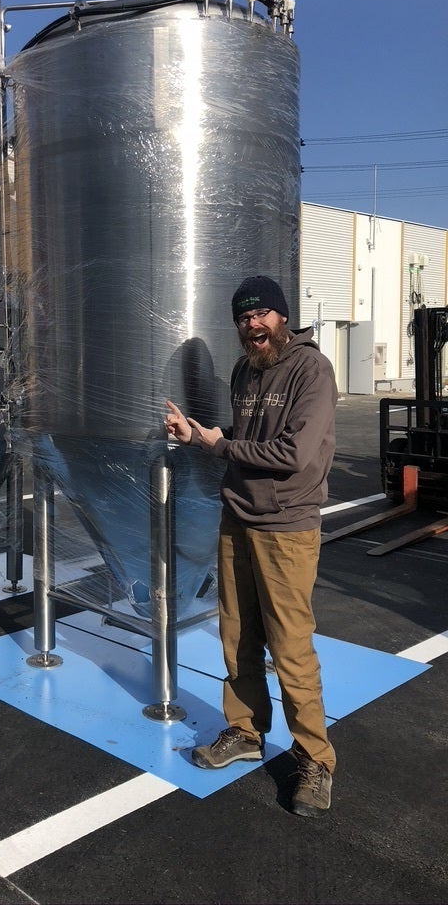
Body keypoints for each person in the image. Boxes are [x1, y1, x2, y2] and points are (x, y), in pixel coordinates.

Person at [164, 274, 337, 818]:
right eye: (243, 317)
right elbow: (245, 437)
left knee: (290, 647)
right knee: (237, 637)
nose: (252, 324)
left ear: (282, 316)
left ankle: (315, 759)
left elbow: (293, 453)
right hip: (237, 518)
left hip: (286, 526)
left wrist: (221, 447)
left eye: (261, 314)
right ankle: (244, 731)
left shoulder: (312, 369)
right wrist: (201, 438)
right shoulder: (245, 370)